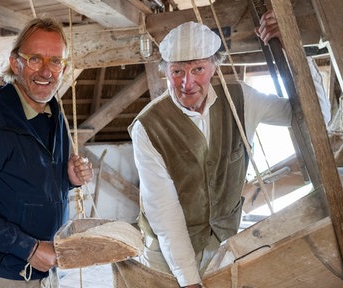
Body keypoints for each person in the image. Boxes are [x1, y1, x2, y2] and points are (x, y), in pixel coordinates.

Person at [120, 11, 330, 288]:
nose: (187, 83)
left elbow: (318, 118)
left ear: (214, 67)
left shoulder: (242, 99)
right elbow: (165, 212)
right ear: (166, 71)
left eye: (198, 69)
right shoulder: (148, 127)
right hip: (167, 256)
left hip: (223, 244)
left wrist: (292, 46)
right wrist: (189, 280)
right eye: (177, 71)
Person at [0, 17, 93, 287]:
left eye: (55, 61)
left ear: (64, 67)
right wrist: (29, 248)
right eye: (35, 59)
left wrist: (66, 180)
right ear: (16, 63)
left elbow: (25, 186)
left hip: (47, 268)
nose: (46, 71)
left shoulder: (54, 116)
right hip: (4, 273)